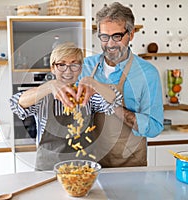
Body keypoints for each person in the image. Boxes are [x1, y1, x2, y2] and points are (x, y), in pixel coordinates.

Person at [75, 2, 164, 167]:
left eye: (117, 36)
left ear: (131, 34)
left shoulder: (147, 74)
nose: (110, 44)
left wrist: (113, 106)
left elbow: (154, 127)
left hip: (129, 164)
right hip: (90, 165)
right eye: (104, 37)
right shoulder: (85, 67)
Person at [10, 42, 122, 171]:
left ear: (80, 68)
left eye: (74, 65)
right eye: (61, 65)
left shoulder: (87, 94)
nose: (68, 71)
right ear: (53, 68)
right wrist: (49, 86)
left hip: (84, 169)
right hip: (48, 170)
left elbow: (115, 100)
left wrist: (95, 84)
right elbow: (16, 104)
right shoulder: (43, 96)